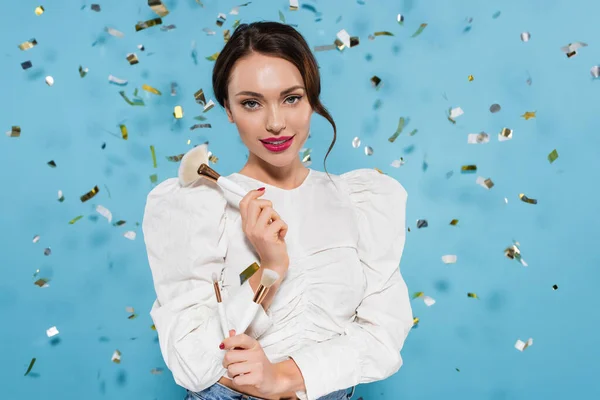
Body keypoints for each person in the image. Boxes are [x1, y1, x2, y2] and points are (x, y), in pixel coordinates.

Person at [142, 21, 413, 400]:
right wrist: (269, 272)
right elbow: (191, 363)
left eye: (291, 98)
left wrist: (283, 377)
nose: (275, 123)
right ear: (228, 111)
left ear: (312, 100)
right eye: (251, 102)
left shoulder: (362, 200)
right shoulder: (197, 205)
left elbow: (383, 337)